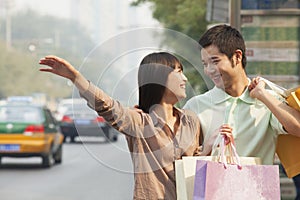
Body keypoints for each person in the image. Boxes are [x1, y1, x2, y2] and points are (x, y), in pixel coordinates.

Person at [39, 52, 207, 200]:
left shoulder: (190, 120)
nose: (184, 79)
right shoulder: (139, 123)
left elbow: (197, 165)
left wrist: (213, 144)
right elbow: (108, 107)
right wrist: (75, 77)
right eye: (178, 72)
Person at [184, 24, 300, 165]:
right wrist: (206, 150)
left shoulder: (267, 101)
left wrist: (262, 95)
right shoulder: (195, 106)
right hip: (212, 186)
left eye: (215, 61)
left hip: (258, 186)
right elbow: (183, 159)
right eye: (205, 64)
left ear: (237, 57)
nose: (209, 70)